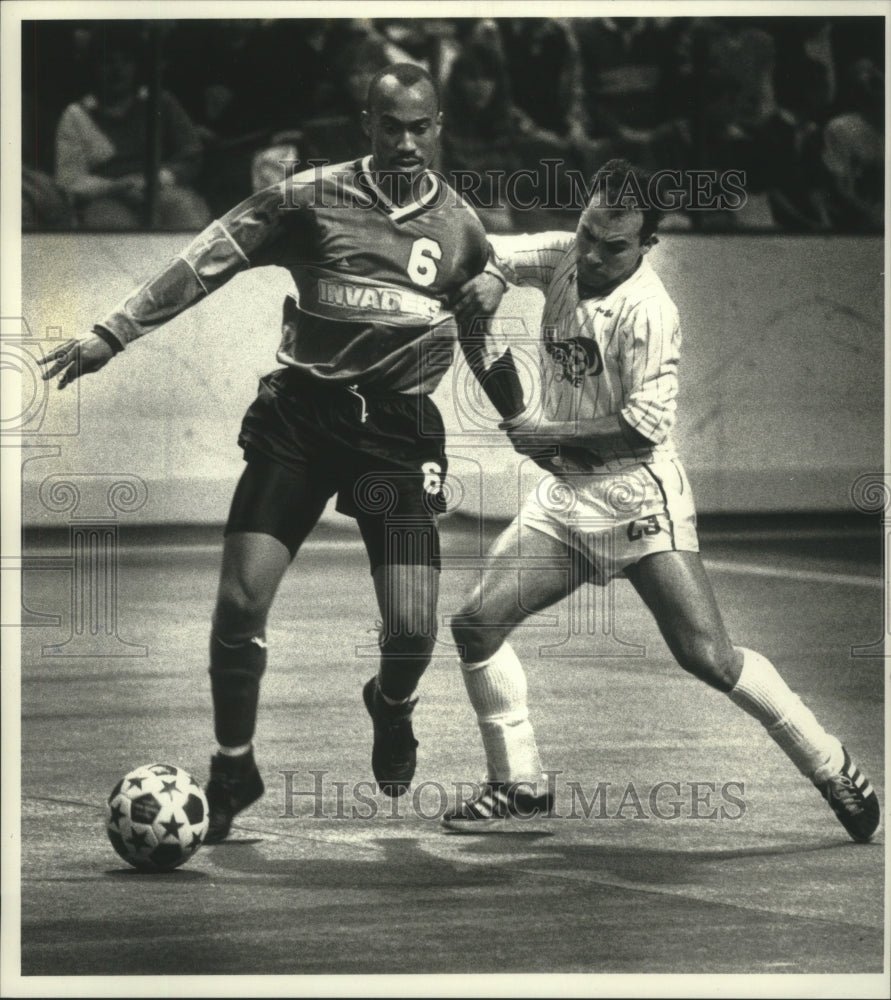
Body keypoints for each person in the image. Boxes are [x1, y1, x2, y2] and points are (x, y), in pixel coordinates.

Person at [40, 64, 506, 843]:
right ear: (367, 124)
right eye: (389, 125)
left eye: (419, 126)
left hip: (394, 437)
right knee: (239, 602)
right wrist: (112, 333)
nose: (405, 141)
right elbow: (206, 258)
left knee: (412, 633)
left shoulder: (460, 229)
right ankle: (233, 765)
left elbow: (487, 327)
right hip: (301, 419)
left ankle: (390, 706)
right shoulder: (308, 198)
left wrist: (531, 423)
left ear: (439, 126)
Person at [441, 158, 881, 843]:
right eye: (587, 232)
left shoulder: (649, 311)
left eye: (611, 246)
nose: (589, 254)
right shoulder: (566, 253)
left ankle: (827, 761)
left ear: (646, 244)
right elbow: (492, 253)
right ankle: (519, 786)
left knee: (707, 657)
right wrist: (494, 278)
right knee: (474, 625)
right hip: (566, 494)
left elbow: (642, 425)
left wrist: (541, 431)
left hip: (634, 493)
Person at [54, 26, 212, 231]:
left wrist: (155, 180)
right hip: (105, 200)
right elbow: (69, 179)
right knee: (110, 234)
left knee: (188, 219)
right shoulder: (76, 114)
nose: (117, 71)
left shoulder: (160, 102)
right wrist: (114, 188)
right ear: (93, 67)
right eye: (107, 62)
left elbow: (191, 153)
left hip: (164, 191)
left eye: (125, 62)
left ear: (137, 65)